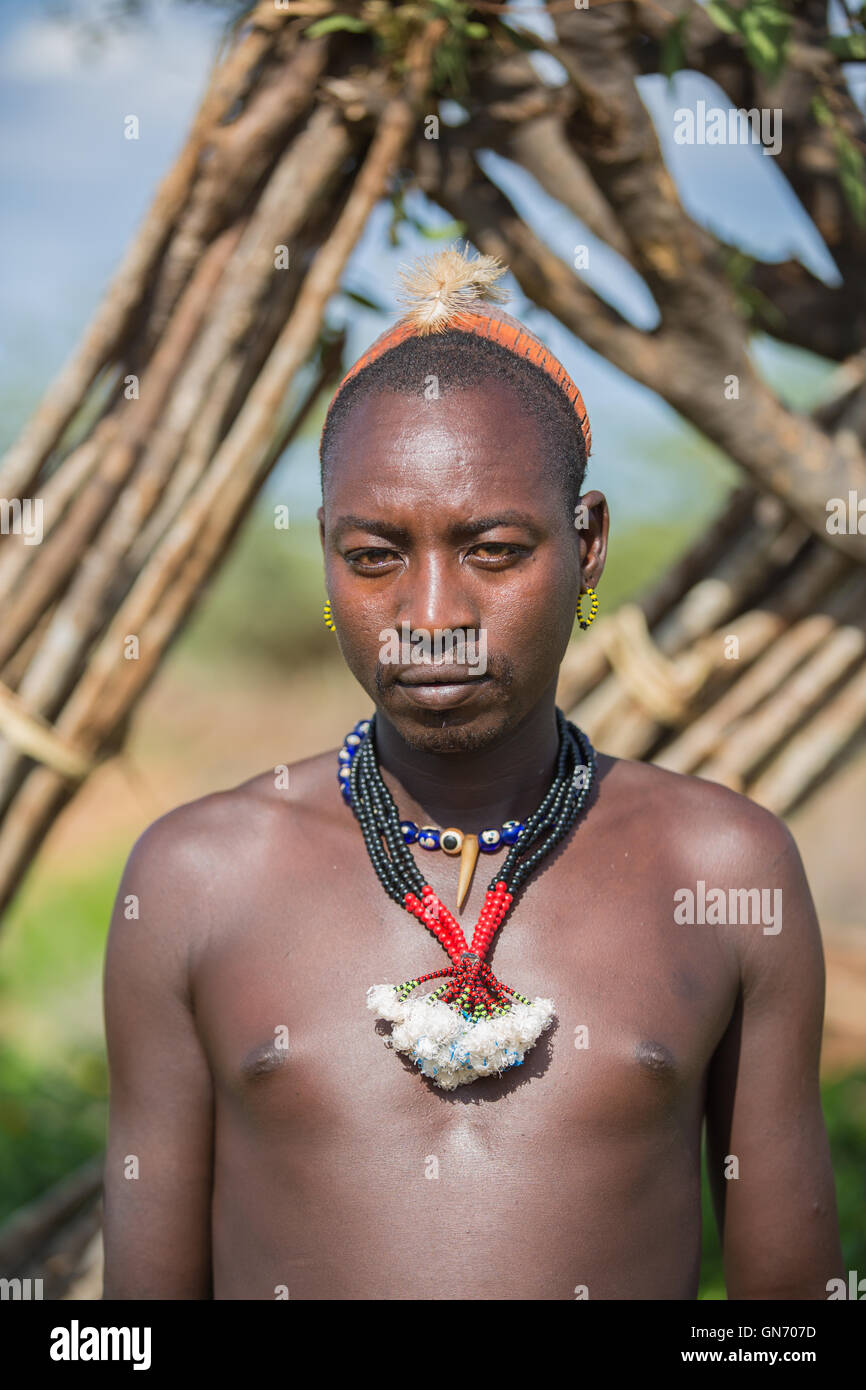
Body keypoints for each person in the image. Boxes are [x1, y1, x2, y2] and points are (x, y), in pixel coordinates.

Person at [102, 246, 843, 1299]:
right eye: (373, 557)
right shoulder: (193, 877)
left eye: (492, 550)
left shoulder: (724, 868)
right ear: (324, 554)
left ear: (585, 545)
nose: (432, 617)